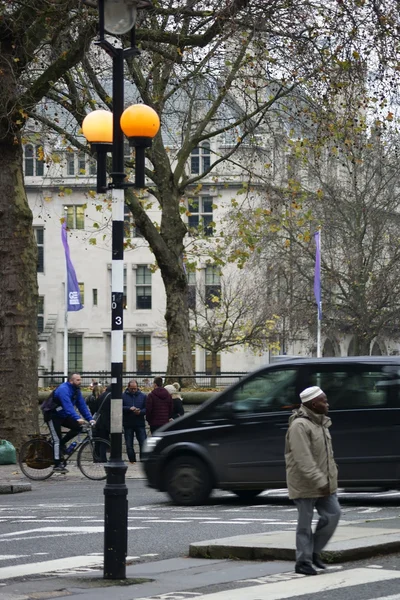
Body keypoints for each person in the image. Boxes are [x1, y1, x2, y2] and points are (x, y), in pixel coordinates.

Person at [285, 386, 341, 576]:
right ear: (312, 404)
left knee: (333, 515)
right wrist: (318, 479)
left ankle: (314, 552)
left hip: (324, 482)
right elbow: (303, 458)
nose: (327, 404)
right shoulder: (299, 425)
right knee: (304, 524)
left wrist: (331, 476)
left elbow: (328, 455)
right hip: (305, 483)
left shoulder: (320, 423)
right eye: (324, 401)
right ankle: (303, 561)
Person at [47, 373, 95, 473]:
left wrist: (90, 419)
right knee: (56, 439)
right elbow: (68, 406)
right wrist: (77, 418)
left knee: (78, 428)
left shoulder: (76, 391)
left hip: (63, 415)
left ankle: (61, 445)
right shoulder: (63, 389)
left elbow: (82, 406)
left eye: (80, 380)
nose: (80, 382)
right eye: (77, 380)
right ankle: (57, 464)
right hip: (52, 415)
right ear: (71, 381)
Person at [122, 380, 147, 463]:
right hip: (128, 423)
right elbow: (119, 407)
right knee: (129, 444)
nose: (133, 390)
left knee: (143, 443)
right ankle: (132, 460)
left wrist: (140, 412)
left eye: (135, 389)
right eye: (132, 389)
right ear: (128, 387)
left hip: (139, 422)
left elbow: (147, 409)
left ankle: (143, 460)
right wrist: (128, 408)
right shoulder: (123, 396)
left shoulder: (143, 396)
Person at [92, 384, 111, 462]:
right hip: (105, 422)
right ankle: (102, 458)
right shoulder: (110, 396)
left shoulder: (101, 397)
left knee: (98, 441)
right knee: (103, 440)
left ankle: (96, 458)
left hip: (98, 421)